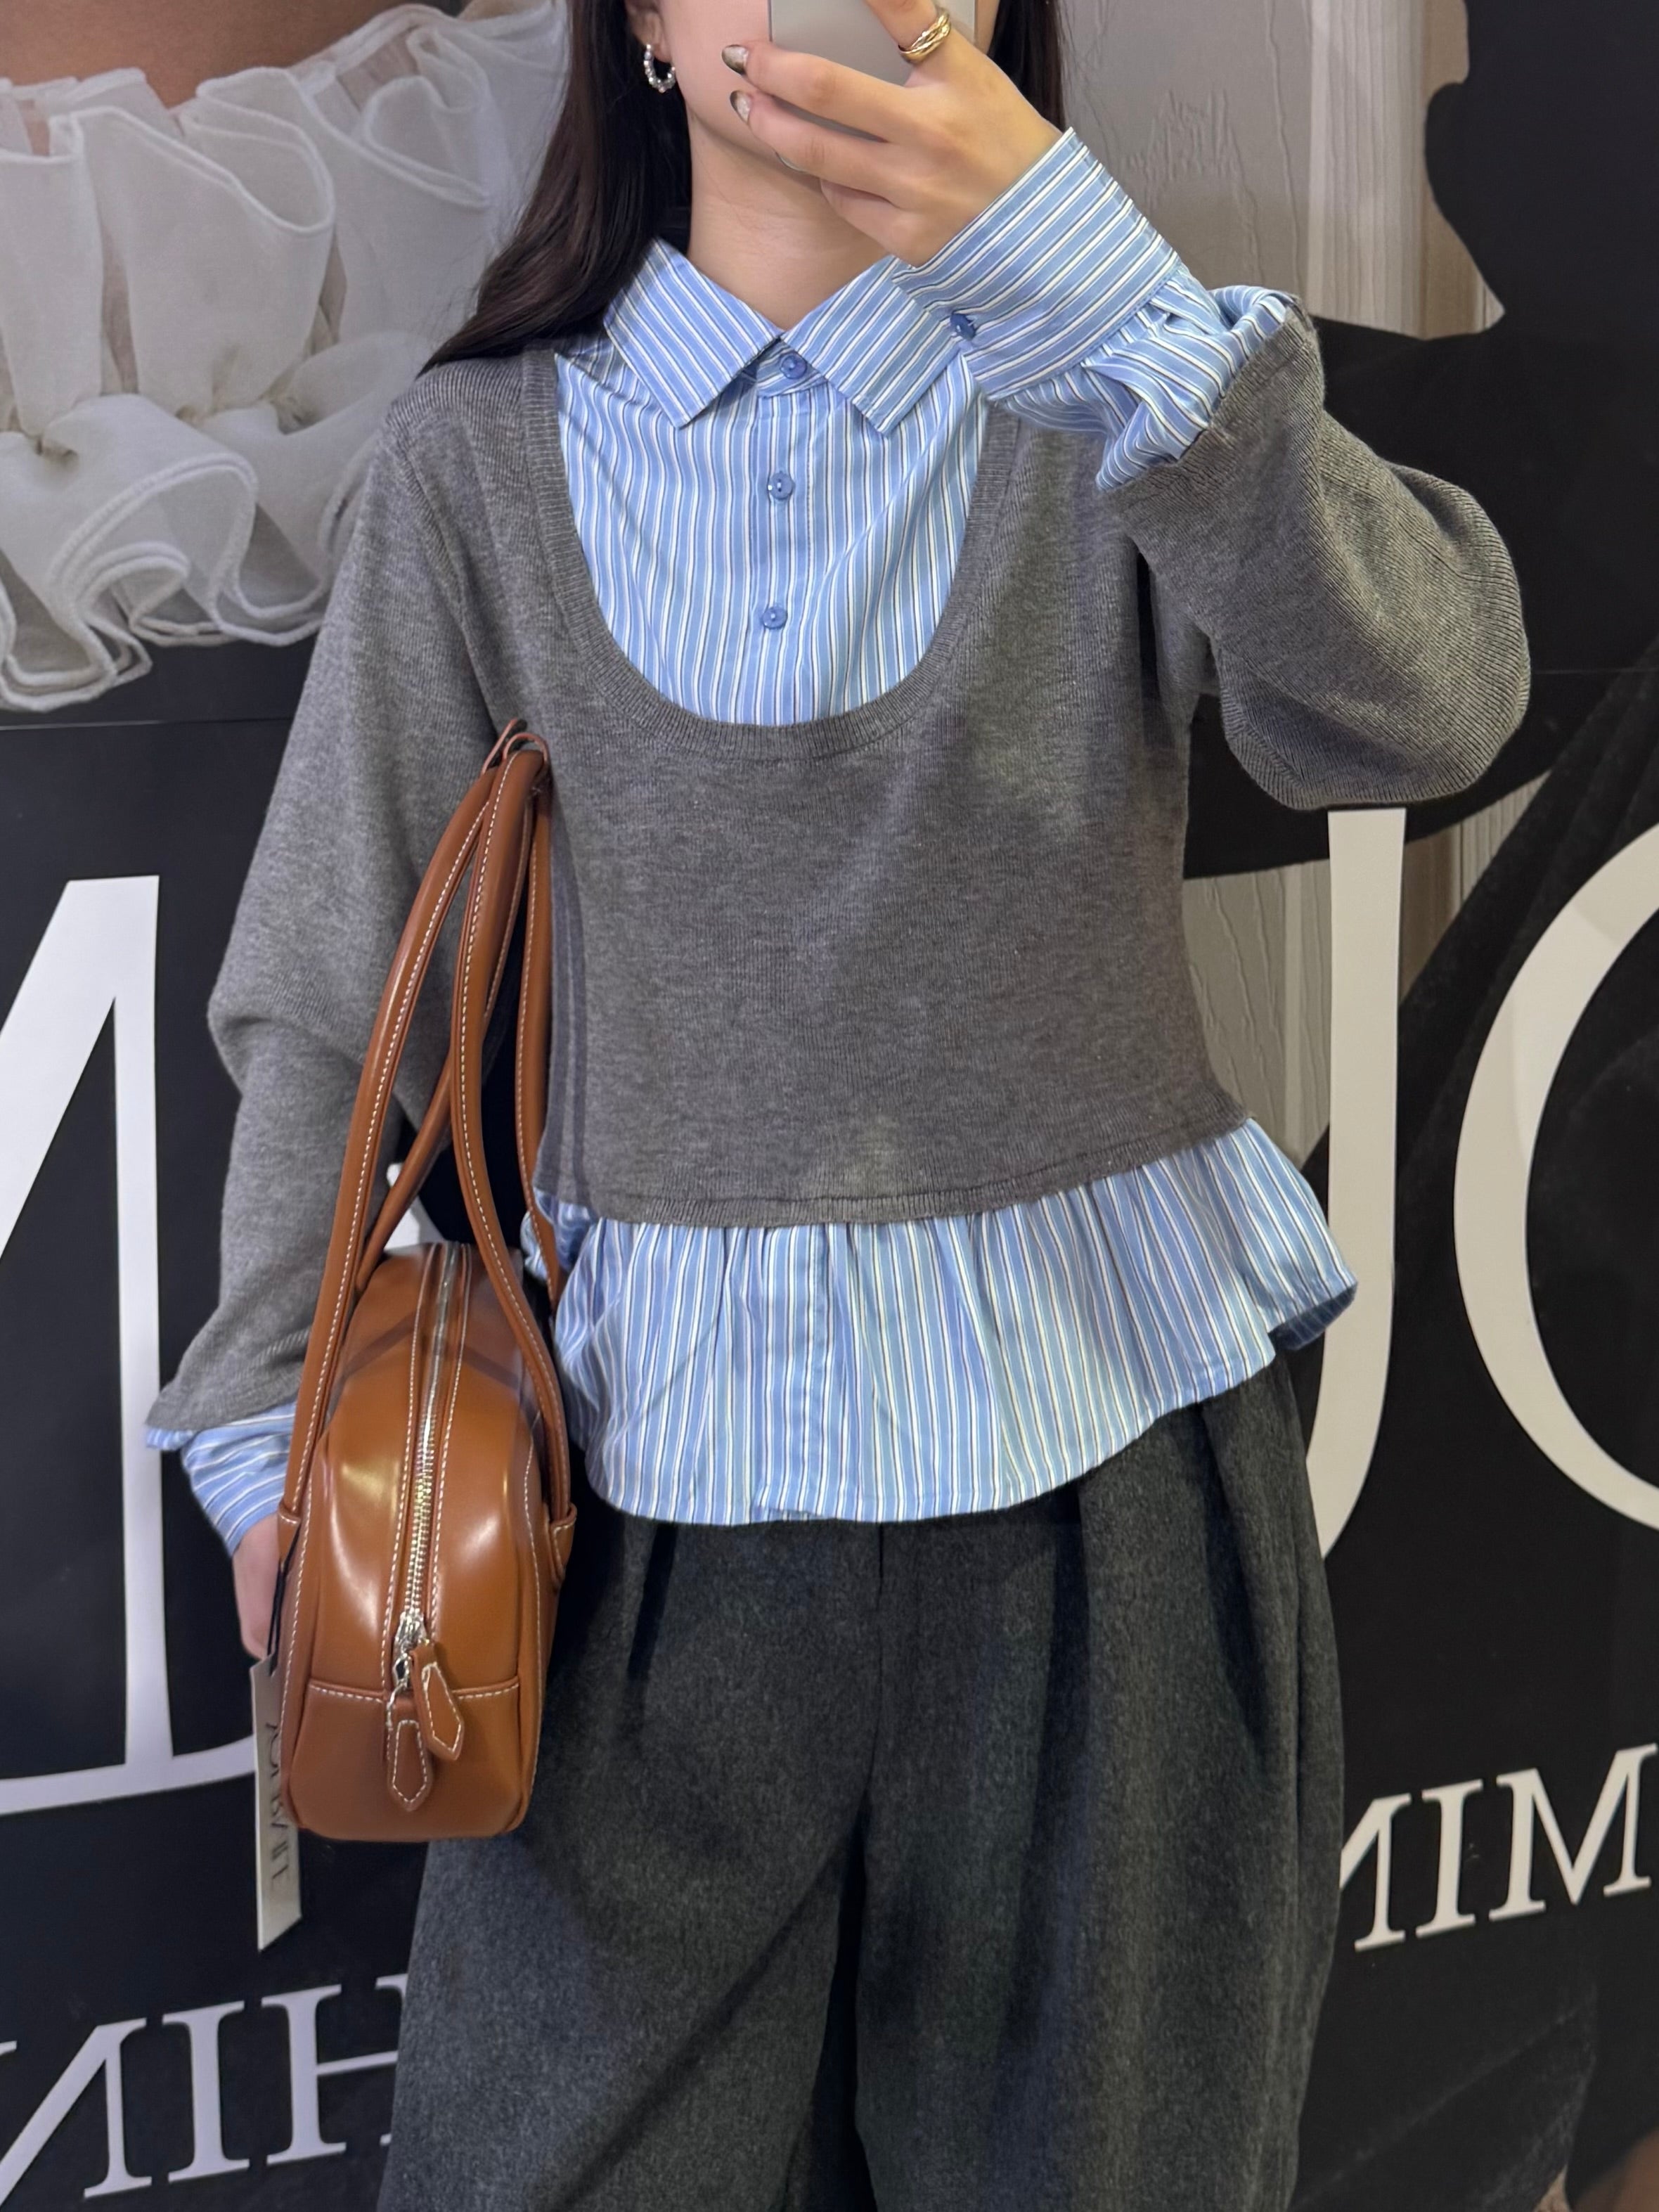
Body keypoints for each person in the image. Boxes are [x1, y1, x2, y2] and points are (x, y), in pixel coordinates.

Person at [146, 0, 1531, 2196]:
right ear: (641, 20)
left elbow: (1433, 704)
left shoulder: (1116, 403)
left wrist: (1093, 285)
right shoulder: (476, 464)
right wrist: (264, 1434)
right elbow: (334, 993)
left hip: (1110, 1516)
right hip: (629, 1536)